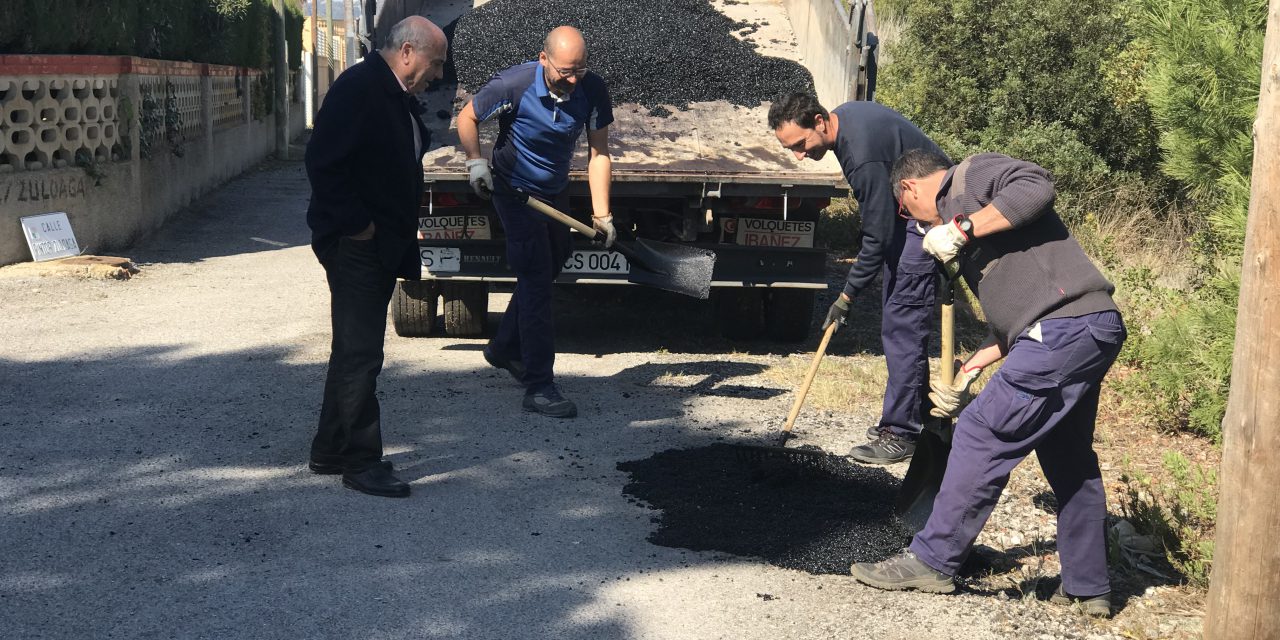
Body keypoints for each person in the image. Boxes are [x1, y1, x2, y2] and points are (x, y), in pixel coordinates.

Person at [849, 150, 1126, 617]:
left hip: (1066, 328)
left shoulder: (969, 176)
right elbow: (1019, 321)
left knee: (981, 431)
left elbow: (1037, 184)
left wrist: (961, 229)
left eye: (905, 210)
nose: (913, 222)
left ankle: (932, 560)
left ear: (910, 188)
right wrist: (969, 371)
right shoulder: (974, 223)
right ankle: (1089, 586)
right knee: (1068, 456)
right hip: (1083, 328)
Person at [304, 17, 447, 498]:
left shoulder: (392, 94)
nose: (438, 74)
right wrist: (358, 225)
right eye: (435, 62)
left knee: (351, 347)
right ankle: (362, 462)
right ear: (408, 51)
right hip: (356, 245)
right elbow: (323, 162)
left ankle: (329, 448)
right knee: (363, 352)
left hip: (379, 242)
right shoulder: (359, 88)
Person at [768, 94, 948, 464]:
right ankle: (924, 417)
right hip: (910, 216)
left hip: (927, 221)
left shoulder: (862, 155)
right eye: (792, 150)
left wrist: (846, 296)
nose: (800, 156)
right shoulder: (847, 117)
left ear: (820, 121)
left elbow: (877, 237)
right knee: (901, 324)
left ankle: (901, 433)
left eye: (801, 145)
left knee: (903, 326)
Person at [456, 26, 616, 419]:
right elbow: (468, 116)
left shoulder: (592, 90)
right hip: (514, 191)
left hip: (554, 191)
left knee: (553, 264)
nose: (573, 79)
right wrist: (476, 161)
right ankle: (539, 385)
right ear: (543, 59)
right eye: (565, 70)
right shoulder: (514, 84)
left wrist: (602, 214)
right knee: (536, 280)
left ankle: (503, 347)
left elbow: (599, 153)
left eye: (579, 70)